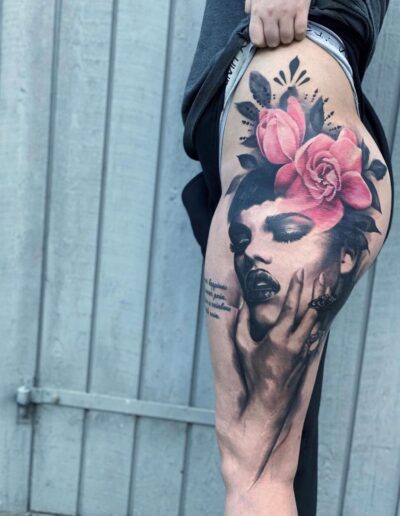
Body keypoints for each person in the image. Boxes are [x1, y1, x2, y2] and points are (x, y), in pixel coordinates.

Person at [180, 1, 394, 514]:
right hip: (286, 92)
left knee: (256, 474)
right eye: (244, 238)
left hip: (289, 72)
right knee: (278, 459)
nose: (251, 251)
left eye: (283, 231)